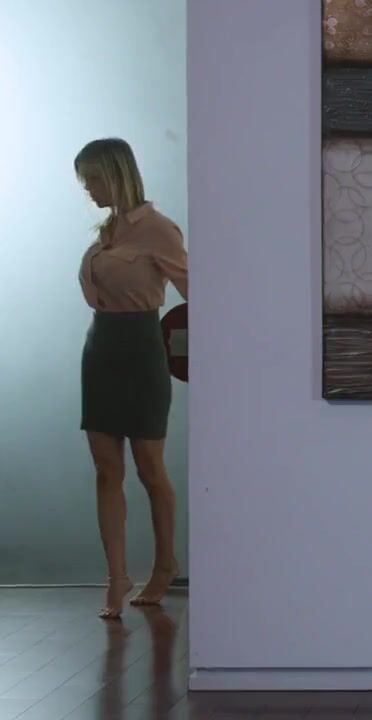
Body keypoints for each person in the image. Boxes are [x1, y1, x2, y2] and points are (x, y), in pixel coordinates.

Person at [75, 138, 187, 619]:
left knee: (148, 467)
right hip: (100, 350)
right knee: (106, 468)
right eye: (84, 181)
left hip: (142, 351)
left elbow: (200, 294)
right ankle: (116, 576)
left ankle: (164, 565)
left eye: (93, 179)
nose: (88, 189)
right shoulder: (107, 231)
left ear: (115, 174)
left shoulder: (159, 230)